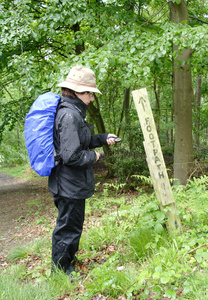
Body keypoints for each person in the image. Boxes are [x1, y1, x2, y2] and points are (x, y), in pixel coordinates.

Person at [48, 66, 117, 278]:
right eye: (90, 93)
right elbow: (72, 156)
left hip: (70, 183)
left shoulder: (73, 112)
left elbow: (80, 141)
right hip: (68, 185)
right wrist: (94, 157)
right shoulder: (69, 116)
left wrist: (102, 138)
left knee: (72, 226)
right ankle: (61, 271)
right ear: (77, 92)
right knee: (68, 228)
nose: (92, 98)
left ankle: (66, 261)